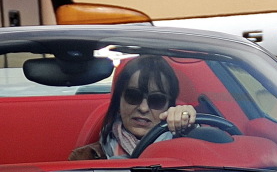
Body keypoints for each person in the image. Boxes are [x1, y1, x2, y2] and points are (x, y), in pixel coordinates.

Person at [69, 56, 198, 160]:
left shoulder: (186, 152)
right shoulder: (86, 157)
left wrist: (191, 127)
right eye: (133, 96)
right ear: (118, 102)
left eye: (157, 100)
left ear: (168, 108)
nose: (143, 108)